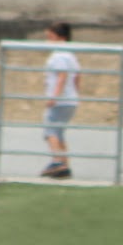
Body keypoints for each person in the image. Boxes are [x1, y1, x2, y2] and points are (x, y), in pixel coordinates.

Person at [40, 21, 80, 179]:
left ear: (61, 38)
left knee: (50, 130)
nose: (48, 41)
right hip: (70, 100)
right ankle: (65, 164)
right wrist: (75, 93)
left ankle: (57, 162)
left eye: (51, 37)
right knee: (59, 132)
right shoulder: (71, 55)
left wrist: (54, 96)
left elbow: (62, 75)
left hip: (61, 100)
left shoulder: (59, 55)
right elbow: (77, 75)